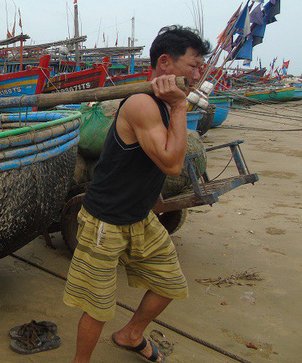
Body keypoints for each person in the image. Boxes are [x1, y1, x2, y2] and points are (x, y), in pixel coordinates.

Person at [63, 25, 211, 363]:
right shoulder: (143, 104)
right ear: (164, 62)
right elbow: (173, 164)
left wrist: (176, 105)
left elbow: (167, 160)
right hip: (105, 221)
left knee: (169, 283)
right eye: (193, 65)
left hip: (140, 216)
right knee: (98, 307)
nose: (198, 73)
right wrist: (179, 107)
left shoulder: (166, 102)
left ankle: (131, 334)